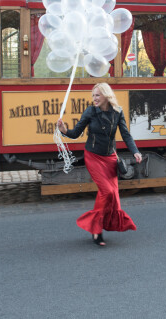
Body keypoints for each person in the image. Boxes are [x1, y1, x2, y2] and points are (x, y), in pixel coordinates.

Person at [57, 83, 142, 246]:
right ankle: (95, 229)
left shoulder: (117, 112)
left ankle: (99, 228)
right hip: (93, 157)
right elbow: (75, 133)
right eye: (93, 96)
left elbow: (125, 134)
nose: (94, 98)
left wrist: (135, 151)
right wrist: (64, 129)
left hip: (110, 158)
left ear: (106, 96)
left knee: (113, 198)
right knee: (107, 191)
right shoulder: (90, 112)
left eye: (97, 95)